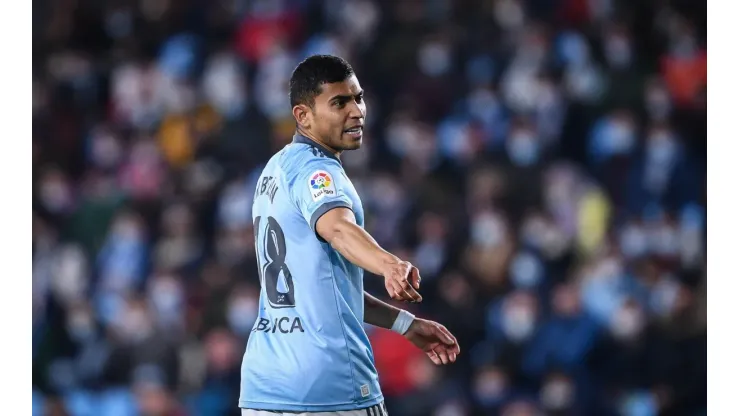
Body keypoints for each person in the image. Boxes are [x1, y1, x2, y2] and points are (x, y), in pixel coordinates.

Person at [239, 55, 460, 416]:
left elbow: (329, 289)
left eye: (358, 98)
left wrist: (405, 324)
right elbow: (339, 227)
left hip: (267, 386)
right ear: (303, 115)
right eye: (339, 103)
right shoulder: (317, 171)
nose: (356, 111)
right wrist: (389, 264)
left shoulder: (275, 169)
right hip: (332, 383)